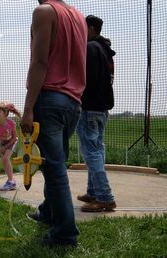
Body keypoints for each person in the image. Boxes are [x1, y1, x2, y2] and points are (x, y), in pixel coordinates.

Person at [20, 0, 87, 247]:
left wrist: (28, 109)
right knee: (54, 164)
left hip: (49, 99)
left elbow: (40, 62)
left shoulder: (43, 12)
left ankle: (64, 235)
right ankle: (48, 212)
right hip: (73, 102)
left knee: (55, 169)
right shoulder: (78, 17)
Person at [76, 15, 117, 212]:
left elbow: (85, 79)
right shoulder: (104, 50)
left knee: (91, 152)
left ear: (91, 28)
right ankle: (93, 192)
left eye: (83, 28)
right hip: (101, 109)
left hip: (89, 108)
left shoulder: (91, 48)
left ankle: (105, 197)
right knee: (97, 151)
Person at [0, 101, 22, 191]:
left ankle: (11, 181)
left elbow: (14, 138)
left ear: (5, 113)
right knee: (5, 162)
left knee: (5, 159)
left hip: (12, 142)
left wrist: (6, 147)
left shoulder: (12, 123)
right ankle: (11, 180)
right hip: (3, 143)